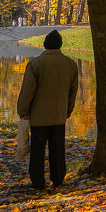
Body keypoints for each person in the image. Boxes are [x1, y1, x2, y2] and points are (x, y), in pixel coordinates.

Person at [16, 29, 79, 191]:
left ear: (45, 45)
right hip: (59, 115)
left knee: (38, 150)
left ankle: (37, 181)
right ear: (60, 45)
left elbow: (28, 91)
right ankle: (58, 179)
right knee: (58, 149)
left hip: (39, 116)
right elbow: (73, 92)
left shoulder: (36, 64)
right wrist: (68, 111)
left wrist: (22, 110)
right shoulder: (70, 64)